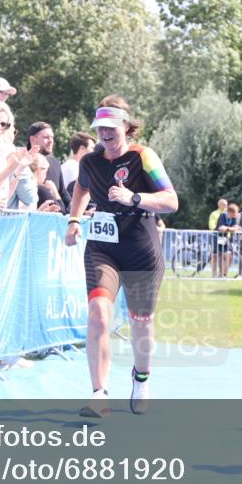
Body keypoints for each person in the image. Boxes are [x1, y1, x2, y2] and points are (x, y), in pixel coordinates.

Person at [65, 95, 178, 417]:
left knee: (141, 322)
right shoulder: (90, 162)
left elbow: (171, 201)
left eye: (111, 127)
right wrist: (74, 220)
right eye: (99, 127)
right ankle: (99, 394)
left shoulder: (143, 157)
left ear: (126, 127)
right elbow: (81, 189)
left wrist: (136, 197)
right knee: (99, 314)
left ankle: (141, 378)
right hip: (103, 248)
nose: (105, 133)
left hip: (142, 247)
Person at [27, 121, 70, 210]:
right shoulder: (23, 163)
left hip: (56, 216)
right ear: (33, 139)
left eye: (52, 137)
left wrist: (83, 211)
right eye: (46, 137)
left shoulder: (54, 162)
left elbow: (63, 194)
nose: (51, 141)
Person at [215, 202, 241, 277]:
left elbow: (236, 228)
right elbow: (221, 228)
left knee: (229, 256)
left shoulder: (234, 219)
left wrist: (228, 228)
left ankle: (224, 274)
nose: (237, 214)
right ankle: (218, 274)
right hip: (216, 238)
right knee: (218, 257)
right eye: (236, 212)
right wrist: (230, 229)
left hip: (225, 239)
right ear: (231, 212)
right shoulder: (222, 216)